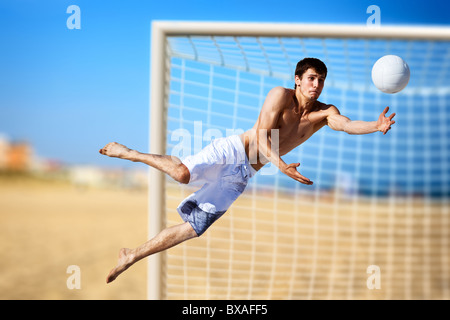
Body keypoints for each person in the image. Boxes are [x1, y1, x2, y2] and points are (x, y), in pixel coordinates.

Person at [99, 57, 396, 283]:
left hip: (243, 175)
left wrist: (375, 125)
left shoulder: (325, 112)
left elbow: (345, 124)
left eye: (321, 80)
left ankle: (132, 254)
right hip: (233, 151)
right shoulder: (280, 96)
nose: (316, 84)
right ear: (297, 79)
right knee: (182, 175)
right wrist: (281, 166)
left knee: (194, 228)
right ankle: (132, 153)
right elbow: (264, 137)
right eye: (311, 78)